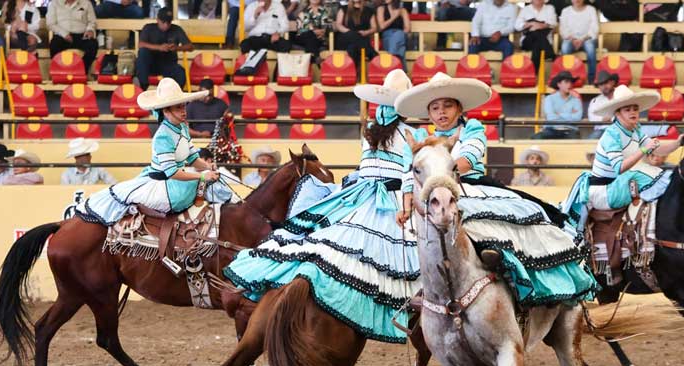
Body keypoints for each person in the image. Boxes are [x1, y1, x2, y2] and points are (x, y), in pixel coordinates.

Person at [224, 69, 421, 343]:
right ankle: (394, 307)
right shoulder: (412, 134)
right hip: (390, 197)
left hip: (361, 194)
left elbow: (371, 168)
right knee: (401, 256)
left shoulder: (370, 132)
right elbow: (408, 174)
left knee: (325, 243)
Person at [395, 72, 597, 309]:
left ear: (459, 108)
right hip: (432, 193)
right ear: (429, 113)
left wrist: (441, 174)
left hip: (471, 185)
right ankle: (419, 288)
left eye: (447, 106)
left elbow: (468, 159)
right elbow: (409, 172)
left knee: (508, 217)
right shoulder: (421, 136)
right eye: (436, 108)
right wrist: (406, 203)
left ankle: (505, 268)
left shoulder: (472, 127)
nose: (442, 112)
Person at [76, 78, 234, 228]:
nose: (184, 111)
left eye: (184, 106)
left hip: (177, 182)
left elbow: (192, 157)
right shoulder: (163, 136)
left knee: (215, 184)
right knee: (205, 186)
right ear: (166, 111)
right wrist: (202, 176)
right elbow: (172, 172)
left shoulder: (183, 127)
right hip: (164, 186)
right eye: (178, 107)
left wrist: (207, 166)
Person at [564, 85, 684, 234]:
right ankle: (652, 232)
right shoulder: (612, 135)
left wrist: (678, 143)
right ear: (618, 113)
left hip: (619, 183)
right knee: (647, 175)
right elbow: (620, 168)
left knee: (661, 176)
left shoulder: (636, 129)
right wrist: (644, 150)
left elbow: (657, 149)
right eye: (627, 110)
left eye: (635, 109)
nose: (633, 112)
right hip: (605, 191)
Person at [135, 9, 192, 90]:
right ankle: (142, 86)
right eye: (163, 22)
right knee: (143, 52)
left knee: (181, 73)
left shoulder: (176, 29)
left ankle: (176, 96)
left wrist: (177, 48)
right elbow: (140, 44)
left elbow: (190, 46)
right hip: (151, 64)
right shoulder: (149, 28)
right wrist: (159, 47)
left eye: (168, 22)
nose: (166, 25)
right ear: (157, 20)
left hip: (168, 64)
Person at [46, 0, 98, 77]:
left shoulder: (86, 3)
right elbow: (50, 24)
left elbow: (92, 22)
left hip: (81, 35)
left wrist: (90, 30)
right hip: (62, 35)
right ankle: (59, 73)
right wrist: (64, 34)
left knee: (93, 44)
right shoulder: (54, 3)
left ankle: (82, 71)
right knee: (54, 45)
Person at [533, 70, 582, 139]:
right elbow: (551, 118)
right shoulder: (549, 99)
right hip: (551, 129)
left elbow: (577, 118)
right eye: (566, 82)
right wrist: (569, 114)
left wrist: (559, 114)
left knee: (575, 139)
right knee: (537, 137)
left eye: (571, 82)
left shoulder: (576, 100)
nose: (570, 84)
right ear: (559, 84)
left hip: (570, 130)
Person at [559, 0, 598, 85]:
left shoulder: (591, 9)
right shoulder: (565, 11)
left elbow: (594, 29)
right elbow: (563, 30)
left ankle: (592, 80)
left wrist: (582, 40)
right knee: (565, 47)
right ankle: (566, 79)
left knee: (590, 48)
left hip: (587, 39)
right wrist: (573, 39)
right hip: (571, 39)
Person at [514, 0, 557, 74]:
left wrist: (540, 26)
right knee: (535, 34)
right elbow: (517, 26)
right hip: (528, 41)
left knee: (537, 45)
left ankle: (533, 74)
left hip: (542, 42)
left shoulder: (550, 8)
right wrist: (530, 24)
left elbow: (553, 23)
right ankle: (550, 53)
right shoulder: (526, 9)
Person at [334, 0, 378, 69]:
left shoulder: (369, 11)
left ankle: (353, 73)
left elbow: (374, 28)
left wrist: (366, 32)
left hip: (361, 38)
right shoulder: (343, 9)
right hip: (345, 37)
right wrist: (349, 32)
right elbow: (338, 25)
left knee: (352, 48)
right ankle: (372, 53)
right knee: (353, 36)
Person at [292, 0, 333, 64]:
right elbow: (301, 30)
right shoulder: (303, 12)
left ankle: (313, 58)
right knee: (309, 34)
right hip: (303, 38)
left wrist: (315, 32)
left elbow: (325, 28)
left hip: (319, 39)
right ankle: (316, 57)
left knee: (311, 35)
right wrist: (314, 32)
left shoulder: (325, 11)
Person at [377, 0, 410, 68]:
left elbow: (407, 28)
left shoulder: (402, 10)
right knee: (400, 48)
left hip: (401, 35)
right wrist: (393, 17)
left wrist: (399, 35)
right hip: (387, 37)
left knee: (398, 35)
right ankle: (401, 69)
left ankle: (392, 62)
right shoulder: (381, 9)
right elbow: (382, 26)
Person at [588, 70, 618, 139]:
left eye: (606, 83)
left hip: (618, 130)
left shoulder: (621, 96)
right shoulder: (594, 101)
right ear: (598, 87)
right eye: (601, 84)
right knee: (589, 141)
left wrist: (608, 119)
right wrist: (603, 119)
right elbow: (592, 119)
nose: (604, 86)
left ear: (612, 82)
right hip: (600, 131)